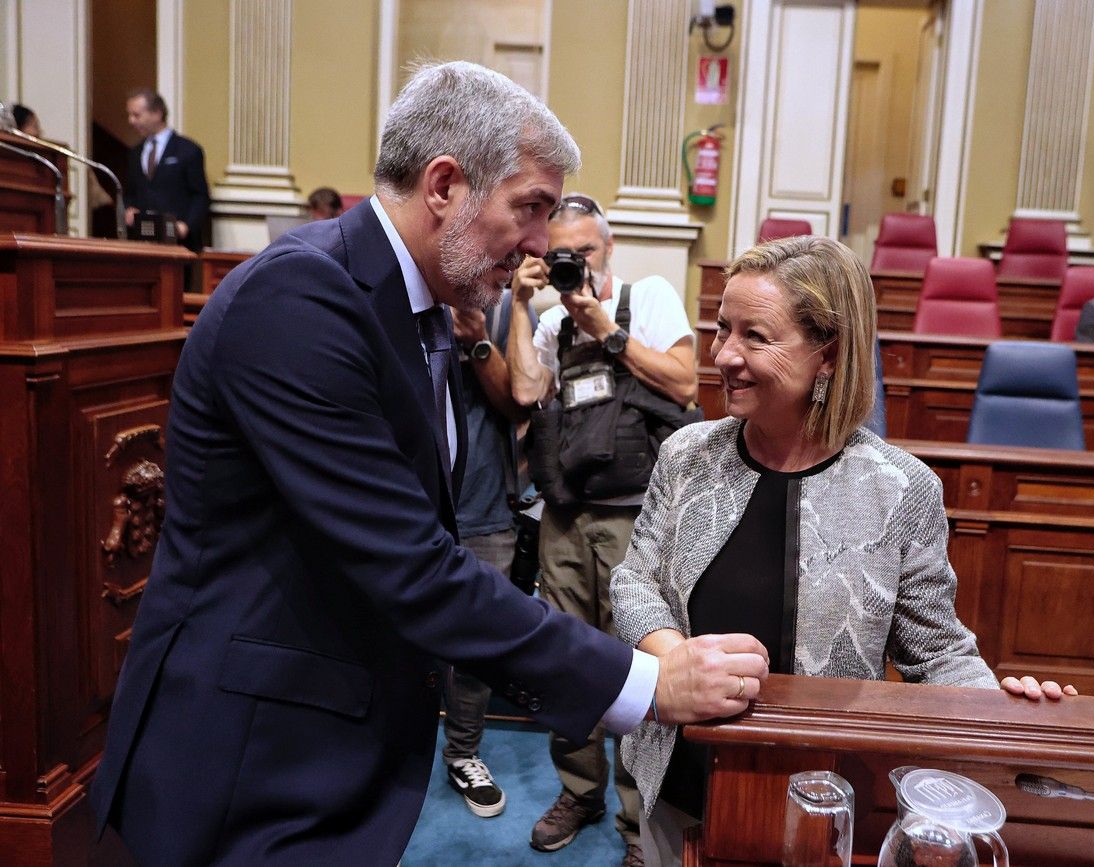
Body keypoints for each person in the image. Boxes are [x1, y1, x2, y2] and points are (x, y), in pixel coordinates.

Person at [90, 60, 769, 867]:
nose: (539, 245)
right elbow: (414, 565)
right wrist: (644, 683)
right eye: (530, 208)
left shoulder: (424, 308)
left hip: (325, 746)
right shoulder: (300, 301)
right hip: (249, 765)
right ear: (444, 184)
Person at [609, 236, 1076, 867]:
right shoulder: (688, 456)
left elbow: (935, 652)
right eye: (723, 329)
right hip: (681, 779)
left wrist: (1000, 712)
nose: (724, 356)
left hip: (825, 799)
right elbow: (635, 583)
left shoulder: (900, 489)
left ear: (827, 355)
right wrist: (677, 659)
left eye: (756, 336)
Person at [507, 193, 698, 864]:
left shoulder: (647, 297)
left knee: (639, 669)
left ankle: (636, 817)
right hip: (564, 513)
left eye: (584, 251)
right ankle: (578, 790)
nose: (574, 263)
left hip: (635, 516)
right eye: (559, 252)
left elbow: (683, 382)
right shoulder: (552, 321)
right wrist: (524, 306)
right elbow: (526, 394)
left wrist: (605, 327)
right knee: (564, 659)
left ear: (607, 249)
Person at [438, 293, 534, 819]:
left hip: (485, 501)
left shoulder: (506, 307)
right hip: (409, 502)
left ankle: (463, 752)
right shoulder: (400, 297)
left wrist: (476, 339)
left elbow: (520, 402)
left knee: (478, 645)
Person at [123, 88, 210, 252]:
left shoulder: (188, 150)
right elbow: (130, 193)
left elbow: (200, 196)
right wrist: (129, 209)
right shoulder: (135, 152)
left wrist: (187, 225)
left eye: (136, 115)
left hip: (179, 242)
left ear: (156, 113)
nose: (131, 121)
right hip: (143, 242)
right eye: (130, 115)